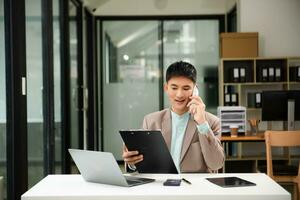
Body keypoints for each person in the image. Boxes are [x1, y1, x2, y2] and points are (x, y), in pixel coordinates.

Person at [122, 61, 224, 173]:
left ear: (195, 90)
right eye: (174, 88)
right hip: (161, 187)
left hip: (194, 188)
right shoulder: (151, 121)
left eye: (186, 88)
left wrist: (202, 123)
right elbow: (141, 164)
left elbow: (216, 164)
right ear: (166, 88)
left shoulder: (211, 122)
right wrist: (132, 164)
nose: (179, 94)